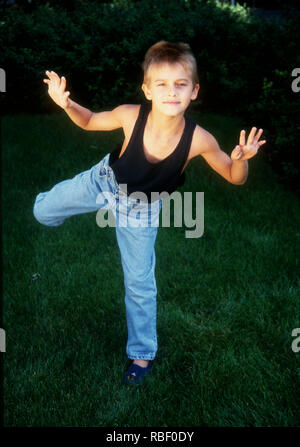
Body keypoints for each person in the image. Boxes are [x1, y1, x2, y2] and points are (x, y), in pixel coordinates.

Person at [33, 41, 266, 385]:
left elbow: (234, 177)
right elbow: (91, 121)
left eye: (181, 84)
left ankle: (141, 355)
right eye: (162, 84)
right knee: (41, 212)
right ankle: (55, 205)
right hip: (103, 183)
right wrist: (67, 104)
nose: (171, 92)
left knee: (140, 284)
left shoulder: (200, 140)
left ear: (194, 91)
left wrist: (242, 161)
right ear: (147, 90)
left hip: (140, 211)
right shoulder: (130, 115)